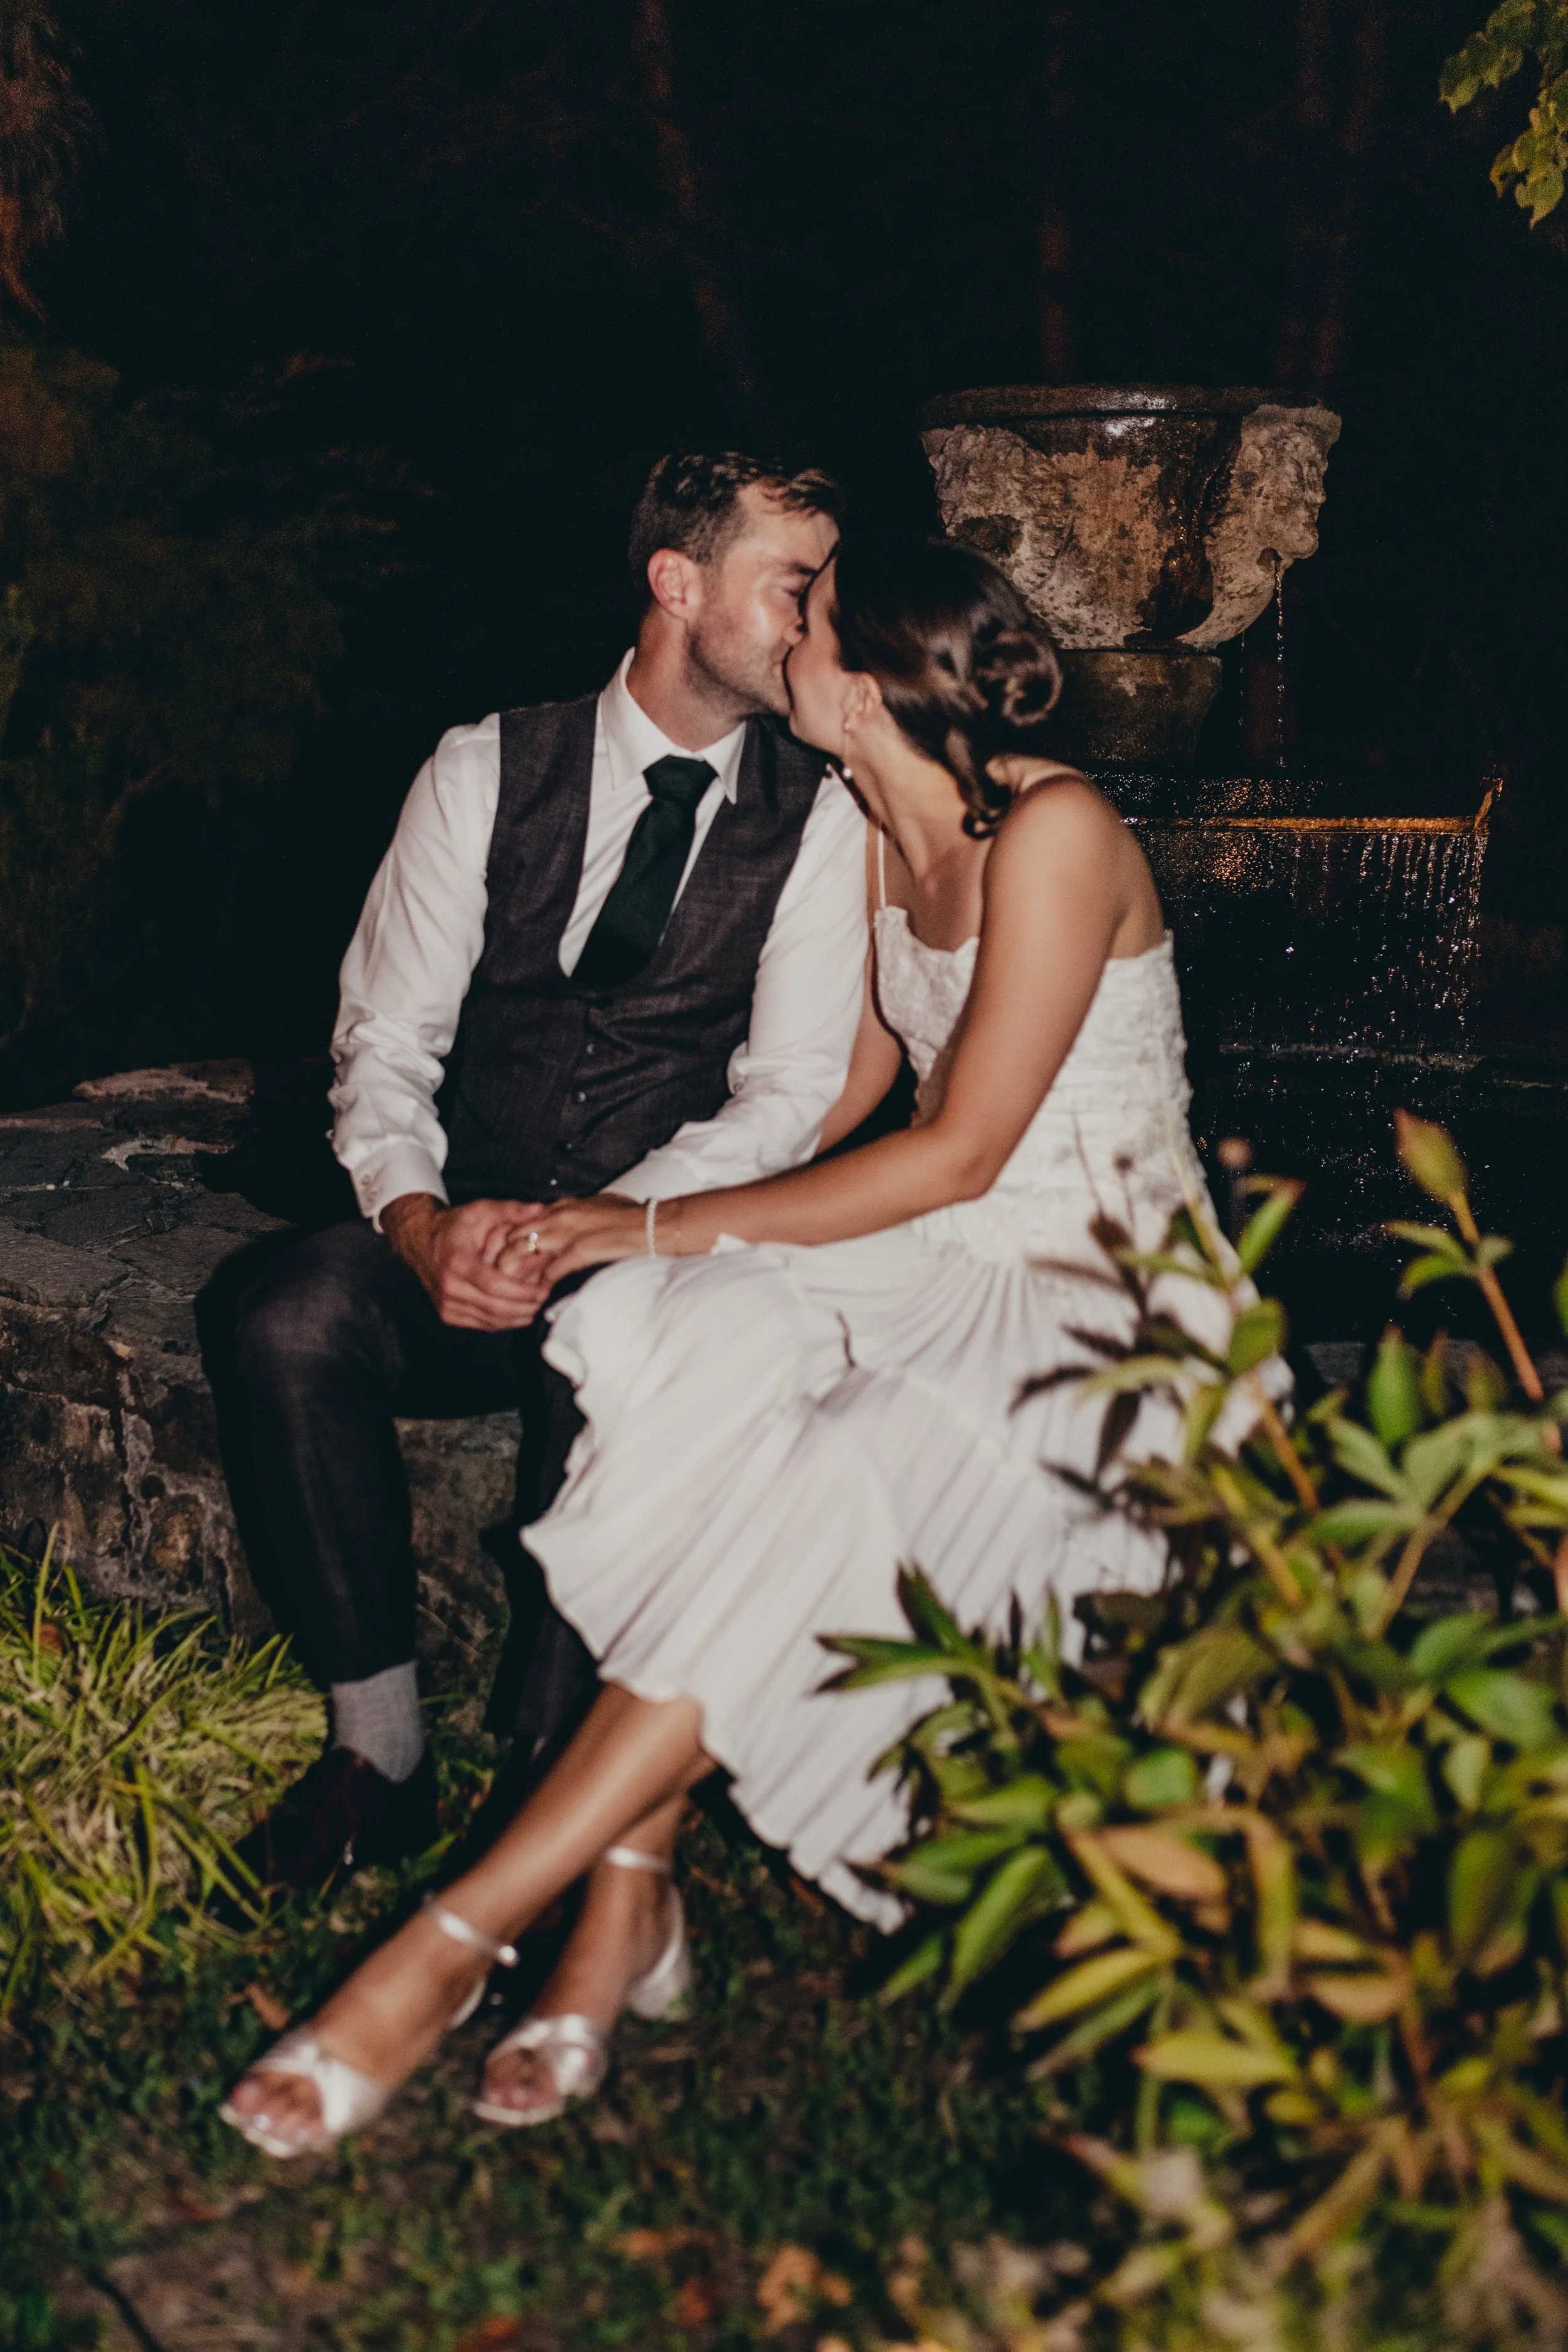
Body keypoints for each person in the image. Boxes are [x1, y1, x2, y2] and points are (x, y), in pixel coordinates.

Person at [222, 531, 1278, 2158]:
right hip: (941, 1247)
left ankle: (463, 1938)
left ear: (852, 682)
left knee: (830, 1454)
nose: (786, 632)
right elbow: (843, 1098)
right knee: (676, 1336)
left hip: (1103, 1288)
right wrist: (618, 1236)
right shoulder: (866, 824)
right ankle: (625, 1897)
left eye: (809, 616)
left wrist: (625, 1221)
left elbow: (963, 1147)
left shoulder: (1054, 828)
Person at [221, 452, 867, 1894]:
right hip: (459, 1227)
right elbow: (382, 1043)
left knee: (633, 1349)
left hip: (659, 1233)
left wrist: (606, 1231)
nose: (817, 619)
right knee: (281, 1315)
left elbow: (786, 1099)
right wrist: (417, 1222)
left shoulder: (819, 818)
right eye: (792, 585)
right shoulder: (481, 767)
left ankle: (543, 1792)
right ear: (676, 582)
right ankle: (377, 1756)